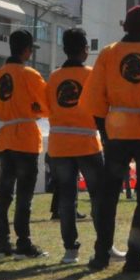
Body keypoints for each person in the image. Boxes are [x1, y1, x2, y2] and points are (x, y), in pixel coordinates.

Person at [81, 5, 140, 273]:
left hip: (117, 133)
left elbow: (94, 101)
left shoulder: (108, 53)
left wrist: (106, 134)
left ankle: (101, 254)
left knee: (108, 198)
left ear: (124, 26)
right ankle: (135, 258)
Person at [45, 27, 107, 266]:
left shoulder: (53, 76)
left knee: (66, 199)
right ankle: (104, 244)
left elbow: (48, 106)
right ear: (86, 49)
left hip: (60, 145)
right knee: (97, 197)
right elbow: (101, 107)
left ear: (64, 49)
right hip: (88, 143)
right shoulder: (92, 75)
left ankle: (70, 250)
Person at [0, 30, 49, 258]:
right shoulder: (30, 74)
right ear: (27, 50)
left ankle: (1, 242)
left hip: (6, 135)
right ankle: (23, 244)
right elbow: (46, 106)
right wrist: (34, 109)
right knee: (24, 194)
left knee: (4, 192)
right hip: (25, 135)